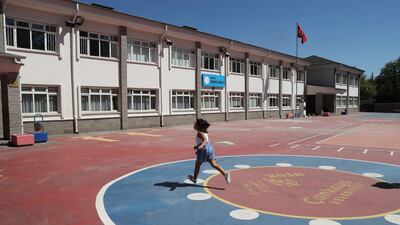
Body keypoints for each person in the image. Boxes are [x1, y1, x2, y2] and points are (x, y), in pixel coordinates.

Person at [188, 119, 231, 184]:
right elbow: (204, 141)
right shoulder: (204, 132)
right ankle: (225, 174)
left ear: (198, 126)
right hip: (210, 148)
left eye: (195, 124)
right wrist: (197, 146)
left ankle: (194, 178)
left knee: (198, 165)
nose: (193, 125)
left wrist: (201, 146)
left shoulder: (199, 133)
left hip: (204, 149)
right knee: (213, 164)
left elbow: (205, 140)